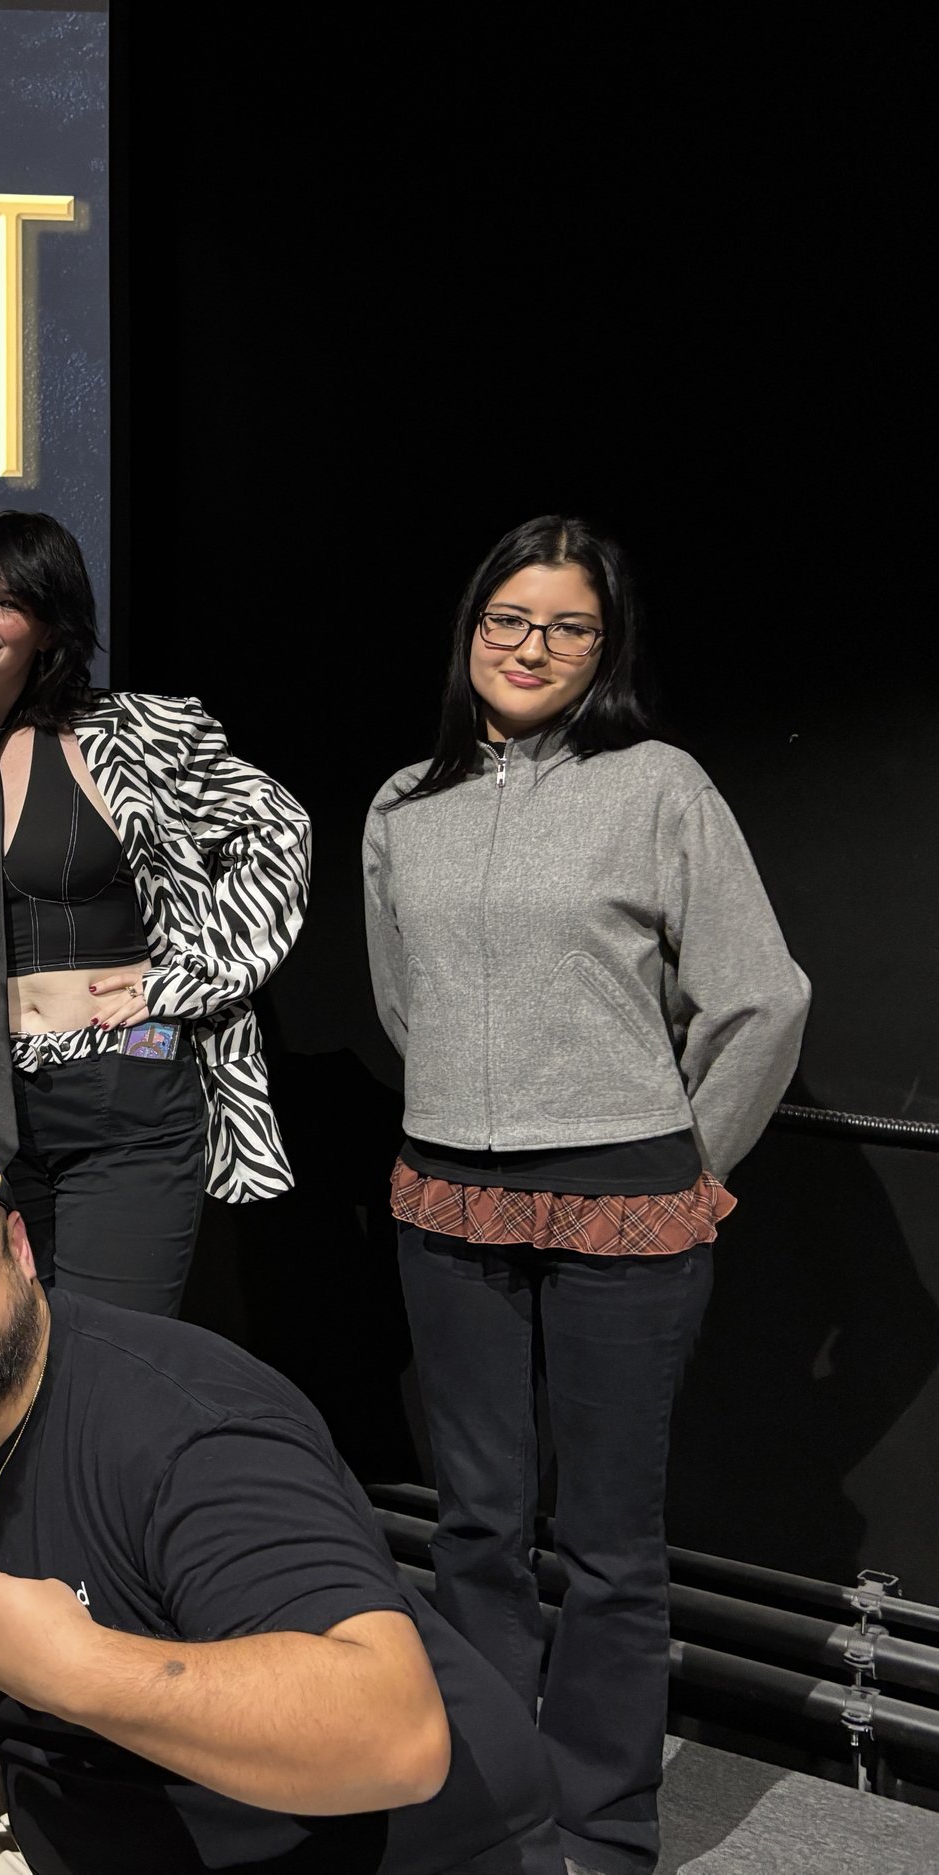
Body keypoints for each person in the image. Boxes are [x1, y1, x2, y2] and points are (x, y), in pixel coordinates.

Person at [0, 1111, 561, 1875]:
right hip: (102, 1830)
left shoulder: (182, 1427)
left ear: (17, 1247)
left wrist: (85, 1668)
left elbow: (398, 1738)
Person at [363, 515, 809, 1875]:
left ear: (604, 649)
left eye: (568, 627)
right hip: (448, 1196)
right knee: (478, 1524)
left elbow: (762, 996)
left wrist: (691, 1165)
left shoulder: (659, 785)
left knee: (611, 1542)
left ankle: (602, 1827)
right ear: (471, 629)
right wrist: (458, 1095)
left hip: (626, 1202)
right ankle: (488, 1801)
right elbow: (404, 999)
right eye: (509, 619)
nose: (532, 647)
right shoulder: (404, 803)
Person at [0, 511, 310, 1315]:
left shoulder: (137, 735)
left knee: (109, 1347)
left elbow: (279, 830)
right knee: (13, 1354)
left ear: (51, 628)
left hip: (125, 1087)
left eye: (10, 602)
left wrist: (188, 978)